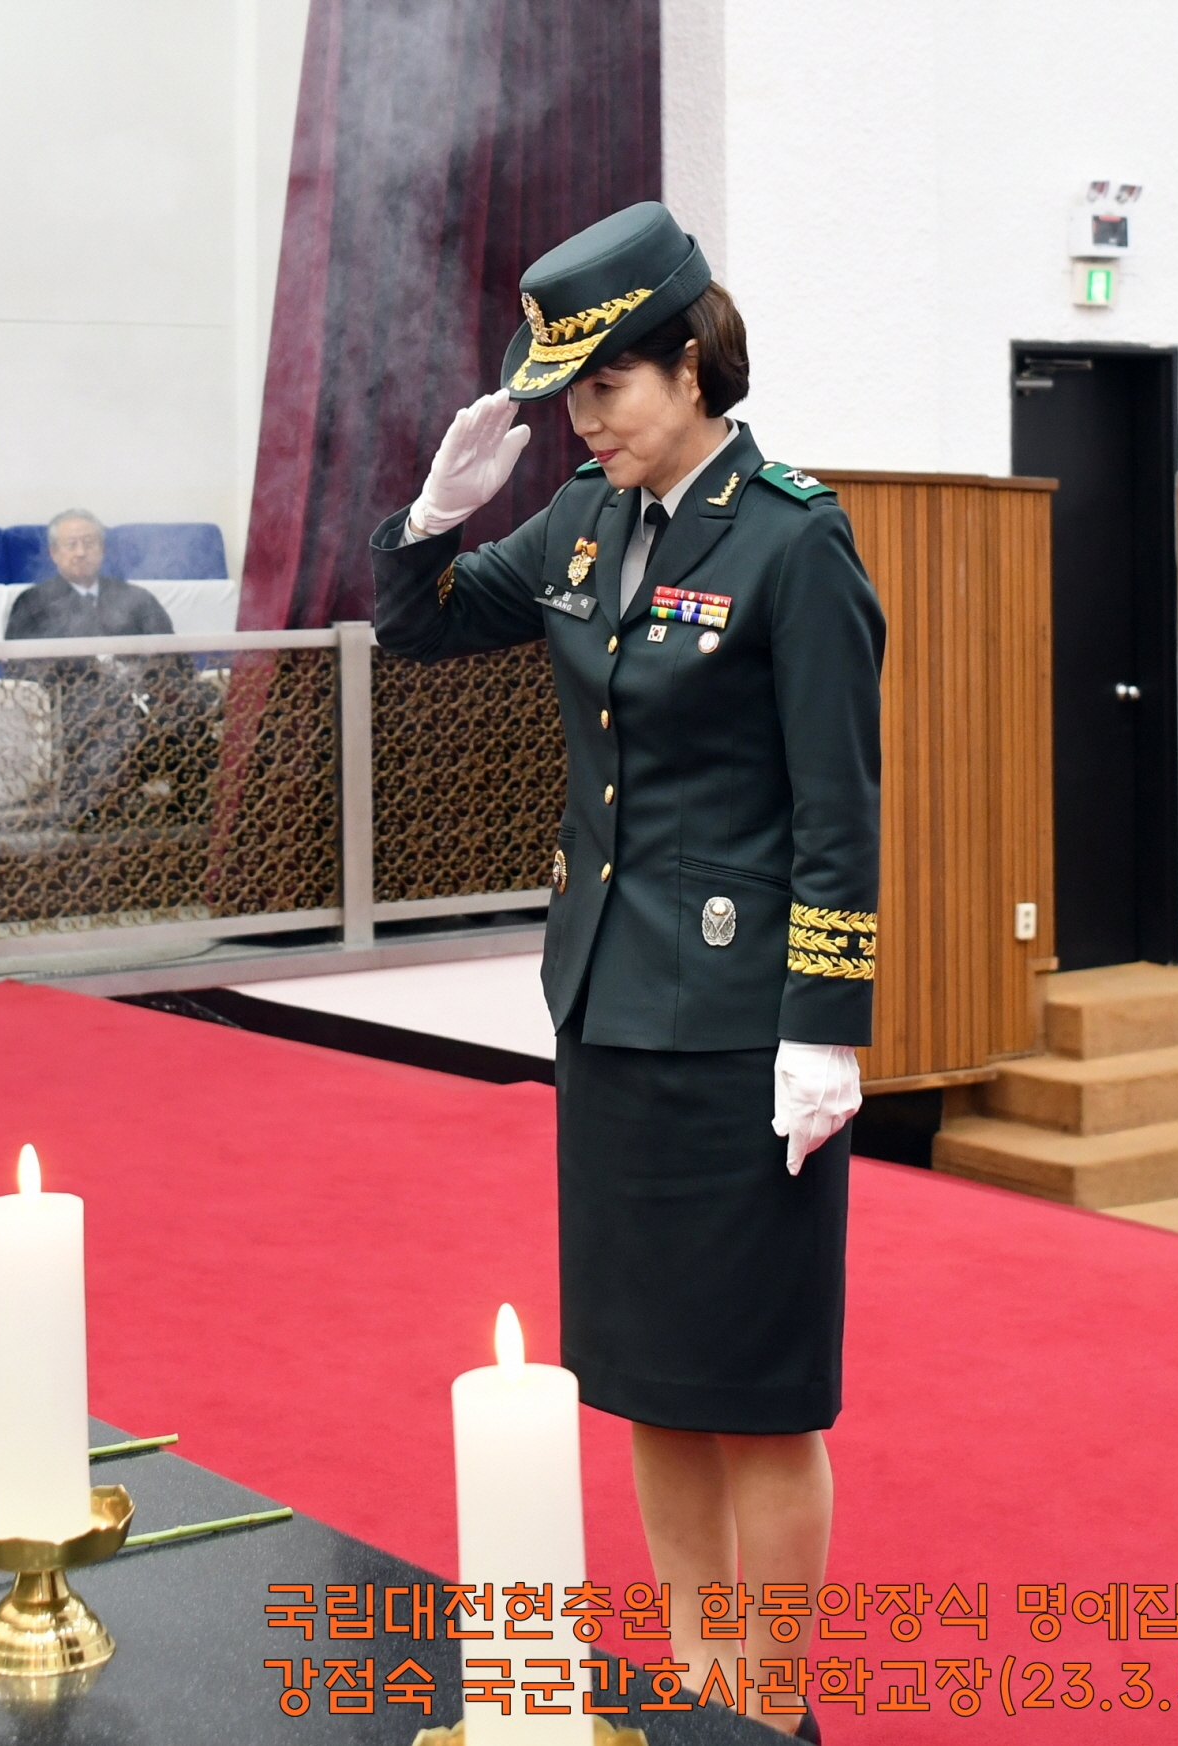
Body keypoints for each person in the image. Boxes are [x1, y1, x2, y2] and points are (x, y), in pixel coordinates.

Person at [369, 202, 882, 1738]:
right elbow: (422, 633)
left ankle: (776, 1704)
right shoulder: (585, 527)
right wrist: (428, 519)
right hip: (604, 1007)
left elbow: (837, 817)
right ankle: (699, 1675)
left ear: (690, 365)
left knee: (759, 1391)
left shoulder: (793, 541)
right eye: (566, 396)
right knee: (648, 1375)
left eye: (608, 388)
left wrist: (824, 1028)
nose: (583, 423)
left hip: (739, 1032)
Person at [4, 509, 174, 638]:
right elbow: (17, 667)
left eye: (89, 543)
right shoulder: (31, 603)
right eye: (71, 545)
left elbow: (172, 655)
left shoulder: (138, 599)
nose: (81, 553)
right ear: (54, 553)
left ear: (103, 549)